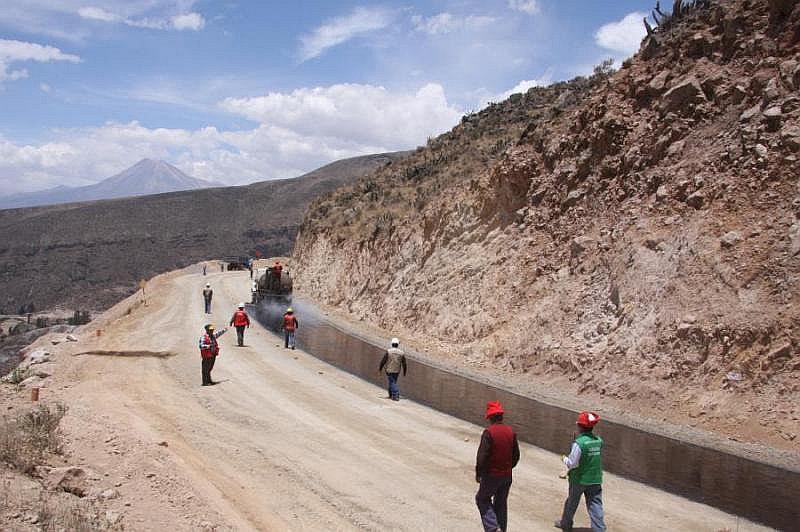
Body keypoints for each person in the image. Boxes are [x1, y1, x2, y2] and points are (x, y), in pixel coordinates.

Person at [555, 412, 606, 532]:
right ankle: (599, 529)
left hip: (579, 479)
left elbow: (572, 463)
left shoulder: (579, 443)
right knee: (595, 504)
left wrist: (564, 458)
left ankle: (566, 524)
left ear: (580, 426)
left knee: (571, 503)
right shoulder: (599, 441)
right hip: (595, 479)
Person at [476, 401, 520, 532]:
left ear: (490, 417)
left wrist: (479, 473)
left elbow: (482, 457)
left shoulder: (489, 432)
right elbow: (516, 456)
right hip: (507, 476)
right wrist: (508, 467)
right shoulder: (511, 432)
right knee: (501, 503)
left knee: (482, 499)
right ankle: (501, 529)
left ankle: (493, 528)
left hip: (491, 475)